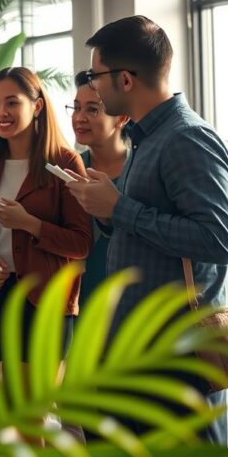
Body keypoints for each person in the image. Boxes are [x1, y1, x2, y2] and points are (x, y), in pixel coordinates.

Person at [65, 15, 228, 445]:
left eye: (95, 75)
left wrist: (120, 208)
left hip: (175, 357)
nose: (93, 87)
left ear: (124, 79)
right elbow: (145, 227)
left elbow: (217, 240)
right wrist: (107, 208)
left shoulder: (186, 139)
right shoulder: (146, 139)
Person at [0, 67, 91, 373]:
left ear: (37, 106)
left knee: (27, 402)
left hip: (44, 300)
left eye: (12, 102)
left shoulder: (64, 162)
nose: (1, 113)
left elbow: (81, 243)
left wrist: (29, 223)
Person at [67, 78, 129, 306]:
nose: (79, 118)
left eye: (92, 109)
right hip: (78, 303)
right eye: (76, 108)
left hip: (131, 302)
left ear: (122, 118)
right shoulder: (68, 170)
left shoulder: (141, 171)